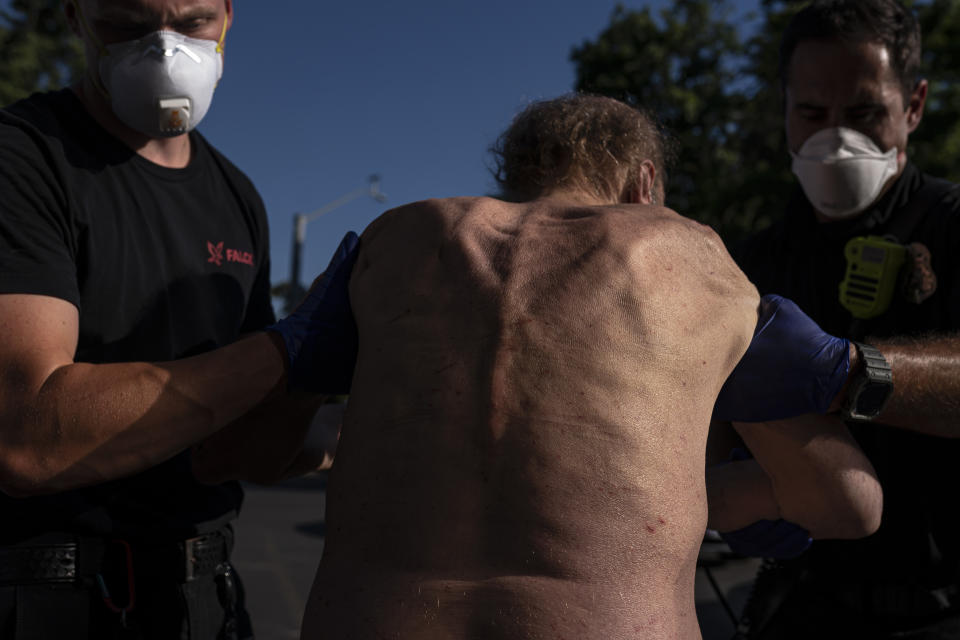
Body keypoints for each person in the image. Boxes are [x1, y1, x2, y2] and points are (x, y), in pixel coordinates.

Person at [300, 94, 882, 640]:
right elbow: (850, 503)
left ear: (514, 180)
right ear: (645, 184)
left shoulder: (397, 242)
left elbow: (271, 448)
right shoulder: (684, 256)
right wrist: (715, 495)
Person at [0, 1, 357, 638]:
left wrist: (332, 405)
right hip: (49, 596)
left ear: (226, 15)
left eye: (191, 23)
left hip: (205, 597)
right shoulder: (24, 159)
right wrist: (285, 352)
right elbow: (26, 434)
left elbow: (236, 452)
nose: (163, 51)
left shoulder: (237, 196)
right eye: (126, 26)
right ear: (77, 18)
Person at [733, 0, 960, 637]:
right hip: (797, 603)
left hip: (939, 609)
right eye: (812, 113)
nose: (836, 138)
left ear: (912, 106)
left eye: (863, 114)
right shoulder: (751, 261)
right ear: (783, 110)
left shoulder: (950, 225)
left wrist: (852, 373)